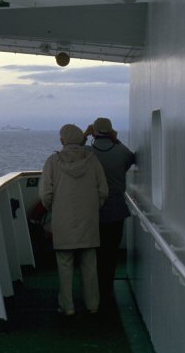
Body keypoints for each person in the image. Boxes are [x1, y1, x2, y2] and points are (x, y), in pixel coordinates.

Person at [40, 124, 108, 316]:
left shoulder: (52, 162)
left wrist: (55, 208)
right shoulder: (93, 161)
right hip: (88, 220)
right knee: (89, 264)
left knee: (64, 264)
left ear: (62, 140)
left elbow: (46, 194)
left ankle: (67, 306)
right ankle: (93, 304)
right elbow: (103, 191)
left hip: (63, 221)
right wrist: (93, 208)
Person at [83, 117, 136, 307]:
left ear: (94, 132)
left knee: (92, 253)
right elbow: (131, 158)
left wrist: (84, 134)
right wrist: (117, 140)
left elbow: (70, 150)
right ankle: (107, 292)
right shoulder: (121, 151)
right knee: (110, 253)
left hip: (91, 211)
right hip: (116, 210)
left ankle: (92, 292)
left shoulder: (86, 152)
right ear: (112, 132)